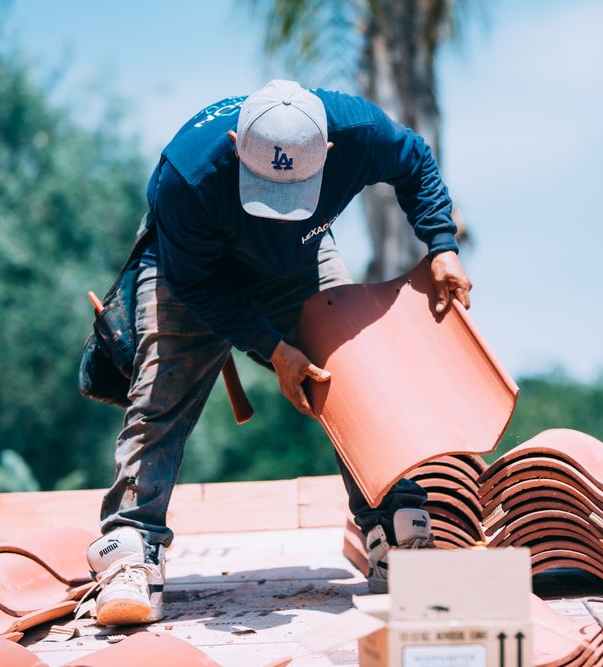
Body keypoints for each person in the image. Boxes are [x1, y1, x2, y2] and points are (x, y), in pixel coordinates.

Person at [83, 80, 472, 626]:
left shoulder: (360, 131)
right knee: (161, 394)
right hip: (191, 272)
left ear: (329, 154)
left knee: (358, 373)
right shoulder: (186, 176)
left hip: (300, 262)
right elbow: (195, 285)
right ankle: (129, 551)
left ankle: (396, 536)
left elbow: (417, 164)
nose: (275, 212)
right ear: (236, 144)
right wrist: (272, 348)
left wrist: (442, 245)